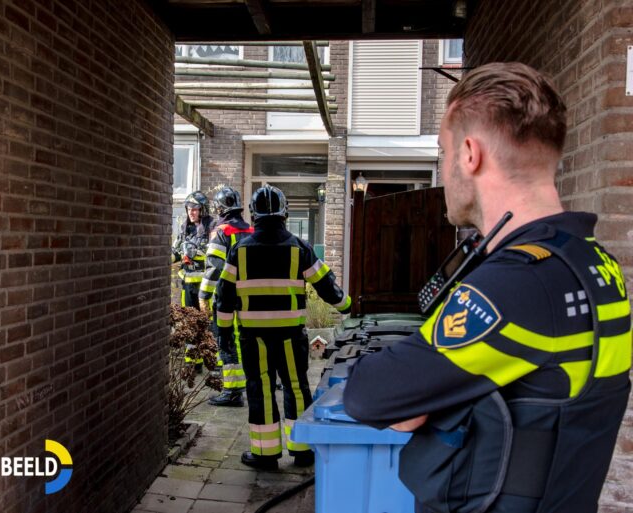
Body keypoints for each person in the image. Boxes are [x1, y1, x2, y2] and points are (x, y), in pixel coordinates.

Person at [343, 62, 631, 513]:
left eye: (443, 151)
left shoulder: (518, 285)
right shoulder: (595, 264)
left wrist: (424, 399)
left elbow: (368, 394)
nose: (442, 169)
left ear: (470, 154)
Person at [215, 185, 352, 470]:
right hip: (291, 336)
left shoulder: (239, 252)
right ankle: (302, 450)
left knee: (260, 389)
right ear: (284, 213)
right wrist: (350, 308)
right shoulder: (299, 247)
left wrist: (224, 334)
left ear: (254, 214)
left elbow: (224, 299)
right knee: (296, 388)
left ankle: (265, 455)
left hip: (254, 338)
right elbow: (329, 288)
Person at [198, 187, 254, 407]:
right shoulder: (251, 230)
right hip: (249, 297)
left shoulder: (221, 231)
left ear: (220, 209)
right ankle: (246, 386)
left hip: (226, 299)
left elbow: (214, 268)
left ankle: (232, 392)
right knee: (245, 342)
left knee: (226, 342)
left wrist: (204, 295)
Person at [172, 191, 214, 370]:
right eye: (189, 209)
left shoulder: (212, 229)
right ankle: (192, 364)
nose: (192, 212)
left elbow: (215, 256)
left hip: (206, 287)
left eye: (195, 209)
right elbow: (175, 252)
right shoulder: (184, 230)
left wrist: (195, 253)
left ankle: (211, 361)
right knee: (190, 324)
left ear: (203, 210)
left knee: (207, 323)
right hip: (188, 286)